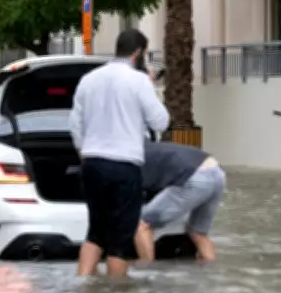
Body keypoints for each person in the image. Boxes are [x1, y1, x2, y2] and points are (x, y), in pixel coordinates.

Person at [69, 29, 170, 278]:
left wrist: (85, 154)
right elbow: (160, 122)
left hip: (92, 163)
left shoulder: (89, 79)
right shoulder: (138, 81)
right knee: (119, 240)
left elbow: (75, 126)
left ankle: (82, 284)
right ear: (138, 53)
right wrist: (152, 85)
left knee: (95, 232)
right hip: (124, 166)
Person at [134, 141, 226, 262]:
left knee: (142, 225)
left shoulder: (127, 160)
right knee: (198, 232)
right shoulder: (141, 147)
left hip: (194, 176)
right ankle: (211, 271)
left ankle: (148, 273)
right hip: (217, 172)